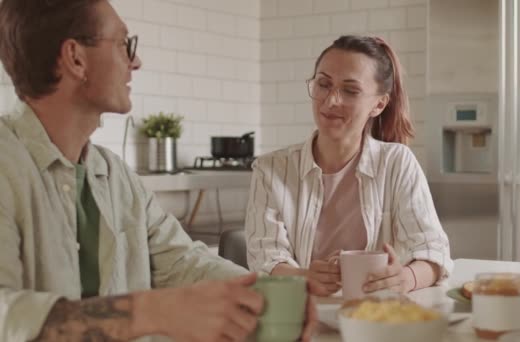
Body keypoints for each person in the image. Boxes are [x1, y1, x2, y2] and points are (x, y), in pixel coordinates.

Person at [0, 1, 315, 341]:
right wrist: (152, 310)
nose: (135, 61)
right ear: (76, 58)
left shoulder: (114, 175)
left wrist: (273, 293)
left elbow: (184, 262)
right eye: (124, 44)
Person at [245, 35, 453, 297]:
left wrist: (405, 278)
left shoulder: (397, 163)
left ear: (379, 104)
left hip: (379, 320)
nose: (331, 101)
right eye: (324, 84)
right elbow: (265, 258)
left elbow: (435, 253)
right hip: (302, 314)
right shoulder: (270, 169)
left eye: (350, 90)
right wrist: (304, 277)